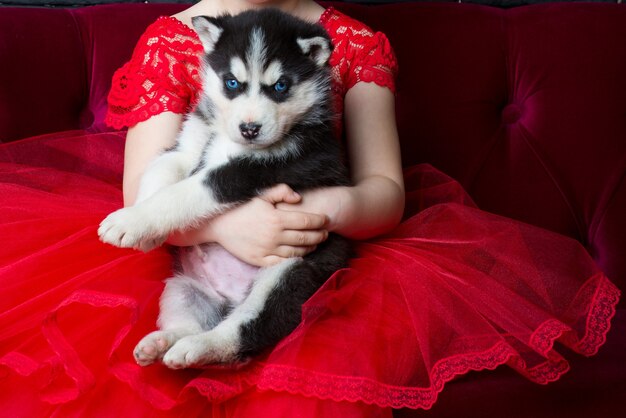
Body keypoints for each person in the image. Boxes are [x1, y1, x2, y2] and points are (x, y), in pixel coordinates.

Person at [0, 0, 619, 416]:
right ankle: (193, 333)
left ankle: (235, 335)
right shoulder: (177, 38)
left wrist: (304, 217)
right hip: (185, 247)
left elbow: (385, 195)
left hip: (316, 251)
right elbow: (146, 195)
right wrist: (232, 226)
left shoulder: (343, 42)